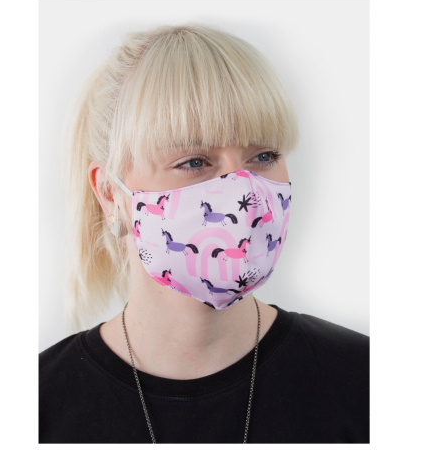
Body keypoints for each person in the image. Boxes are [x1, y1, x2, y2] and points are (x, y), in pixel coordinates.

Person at [39, 24, 369, 444]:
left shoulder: (365, 381)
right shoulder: (37, 408)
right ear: (110, 193)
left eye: (264, 155)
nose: (241, 188)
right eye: (194, 162)